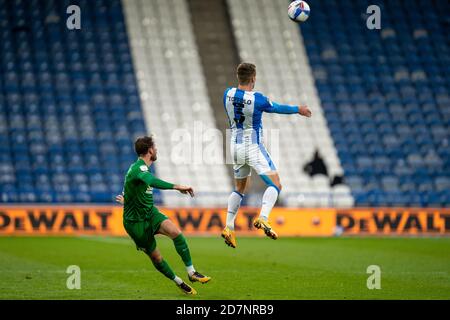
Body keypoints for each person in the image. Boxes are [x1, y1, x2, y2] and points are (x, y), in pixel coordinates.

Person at [221, 62, 312, 248]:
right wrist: (298, 109)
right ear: (253, 78)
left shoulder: (227, 93)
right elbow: (277, 107)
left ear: (238, 77)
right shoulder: (258, 99)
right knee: (276, 183)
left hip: (234, 146)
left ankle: (229, 227)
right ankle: (263, 217)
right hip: (252, 145)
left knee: (240, 187)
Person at [115, 136, 210, 295]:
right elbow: (151, 181)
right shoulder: (139, 169)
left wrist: (128, 199)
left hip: (150, 213)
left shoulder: (142, 169)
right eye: (155, 147)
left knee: (176, 233)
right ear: (150, 150)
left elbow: (136, 188)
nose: (157, 149)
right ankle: (178, 282)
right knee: (157, 258)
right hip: (135, 224)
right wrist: (177, 186)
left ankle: (192, 272)